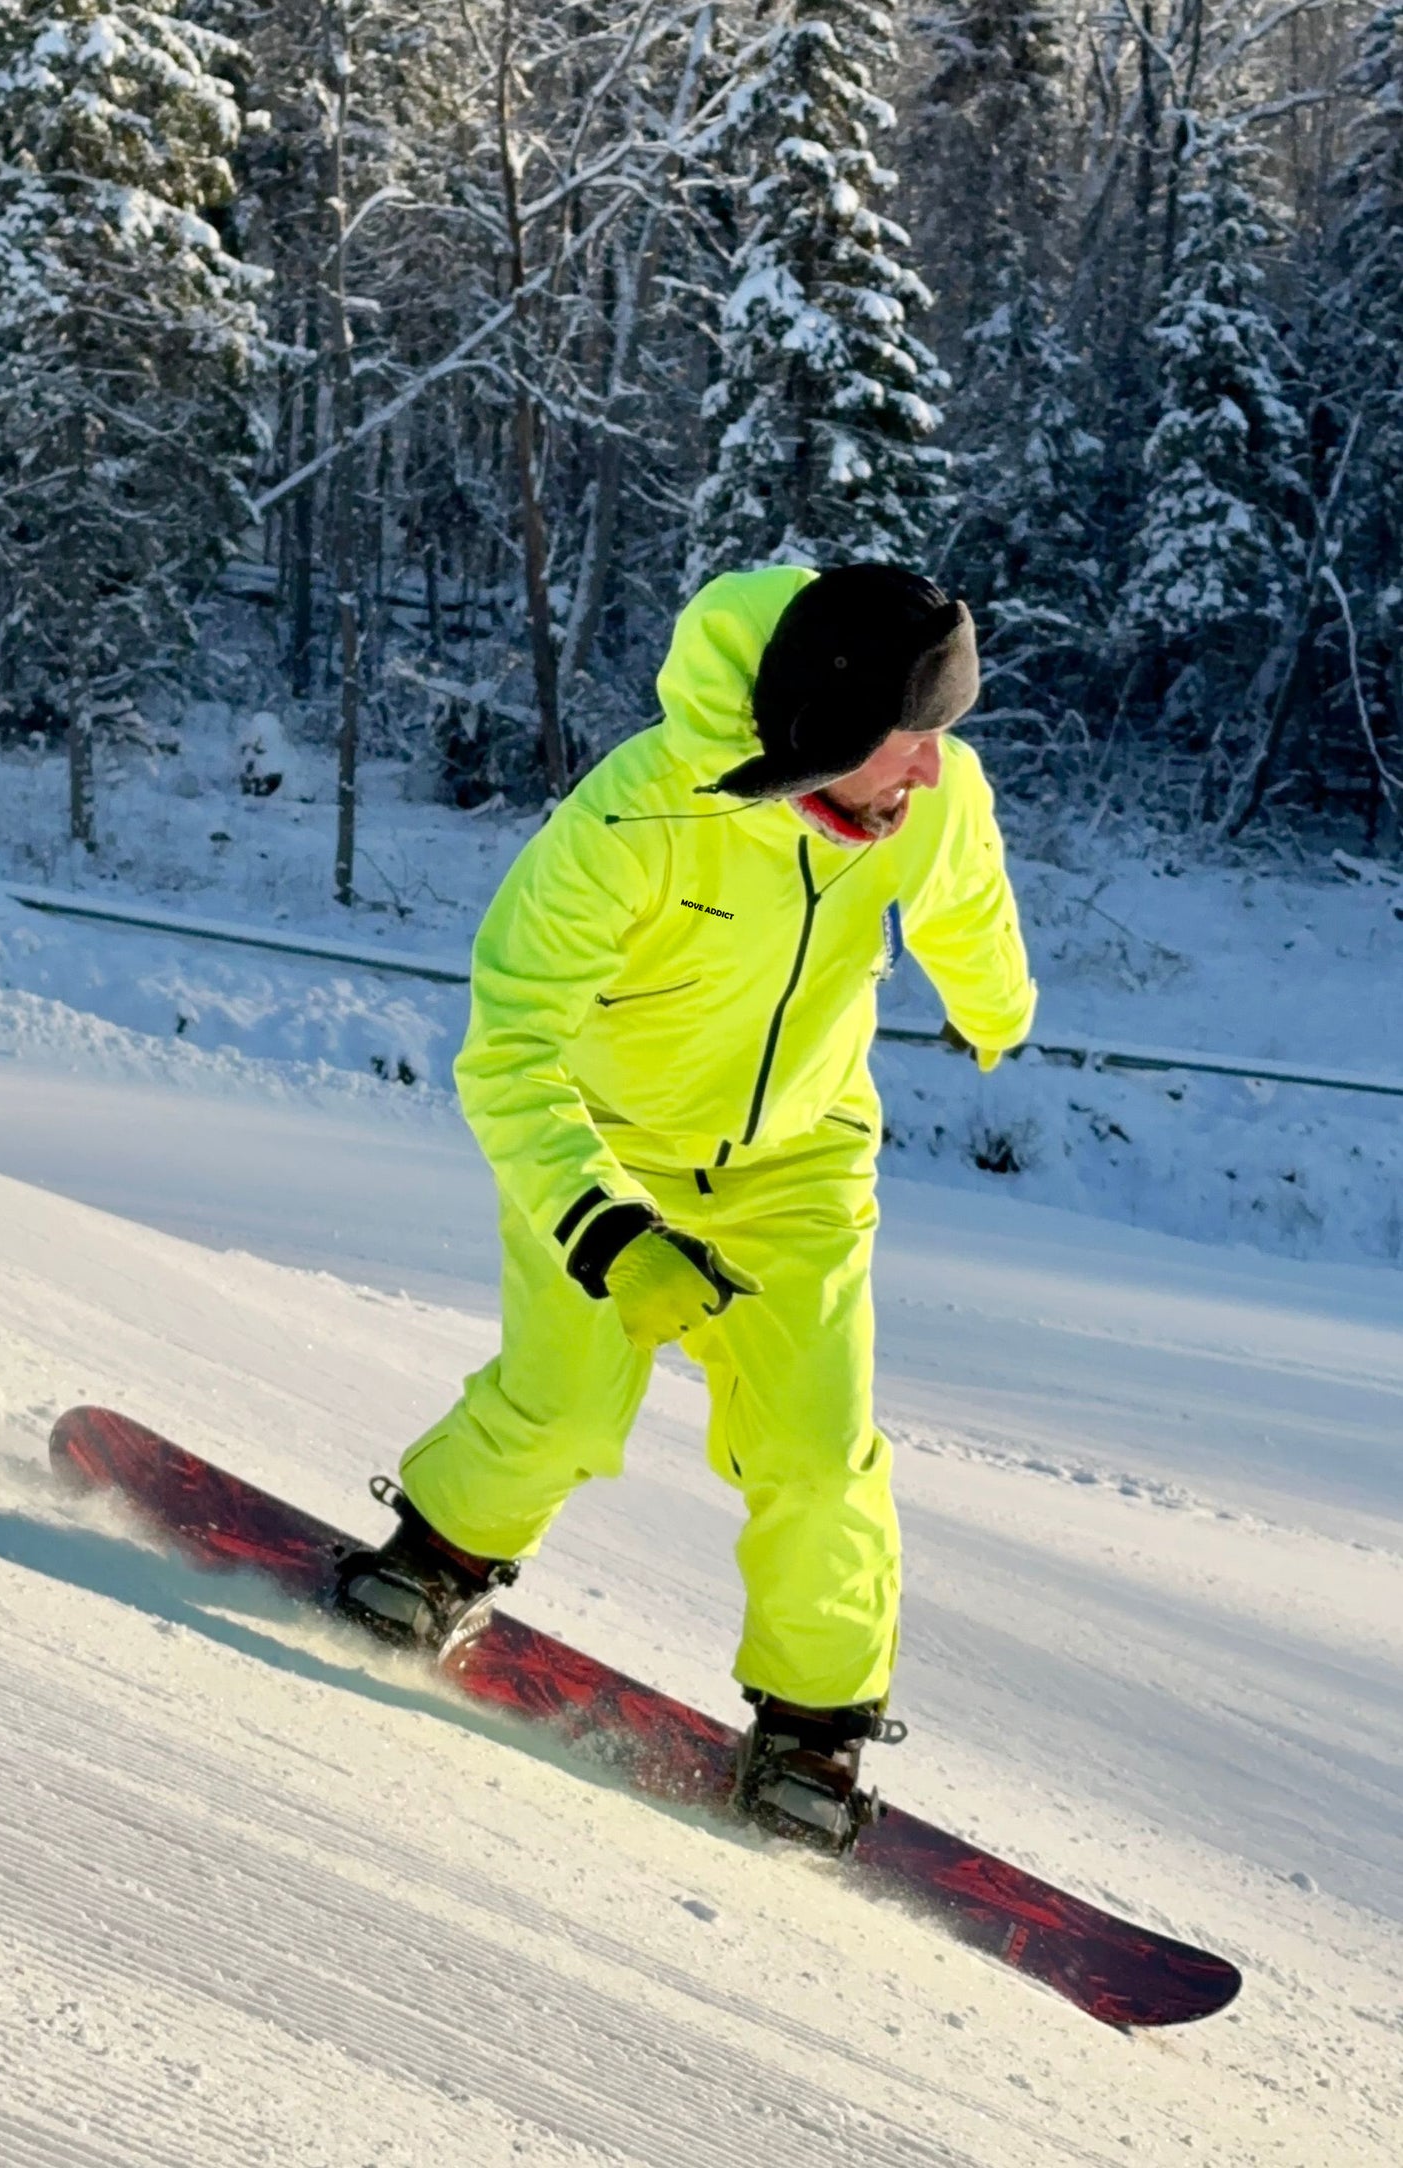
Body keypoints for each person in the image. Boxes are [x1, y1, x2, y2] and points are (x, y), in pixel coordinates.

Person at [338, 563, 1036, 1850]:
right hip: (609, 1150)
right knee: (560, 1404)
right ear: (820, 731)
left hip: (801, 1163)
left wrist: (995, 1007)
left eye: (945, 734)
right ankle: (436, 1559)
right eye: (910, 738)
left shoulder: (932, 800)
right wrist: (606, 1226)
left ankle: (815, 1729)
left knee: (816, 1451)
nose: (934, 770)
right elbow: (506, 1053)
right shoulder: (632, 823)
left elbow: (968, 897)